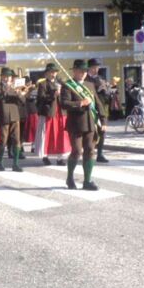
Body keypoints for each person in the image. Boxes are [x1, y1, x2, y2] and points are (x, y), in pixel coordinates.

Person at [62, 60, 107, 191]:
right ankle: (70, 178)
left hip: (90, 122)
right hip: (75, 124)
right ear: (74, 71)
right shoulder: (68, 85)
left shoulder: (90, 85)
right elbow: (64, 103)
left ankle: (87, 181)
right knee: (76, 151)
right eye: (80, 71)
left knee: (90, 150)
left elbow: (98, 103)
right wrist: (80, 103)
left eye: (85, 71)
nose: (83, 73)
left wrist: (103, 121)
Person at [36, 63, 71, 166]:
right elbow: (41, 98)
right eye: (51, 72)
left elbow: (66, 96)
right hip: (49, 112)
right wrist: (53, 95)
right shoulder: (43, 84)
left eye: (55, 72)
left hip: (61, 112)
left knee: (62, 135)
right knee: (47, 135)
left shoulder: (60, 83)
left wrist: (63, 92)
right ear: (46, 73)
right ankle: (45, 156)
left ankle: (61, 158)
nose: (53, 74)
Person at [0, 67, 25, 172]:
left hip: (15, 115)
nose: (7, 78)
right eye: (5, 76)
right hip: (3, 116)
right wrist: (7, 90)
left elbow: (22, 101)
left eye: (8, 77)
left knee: (16, 140)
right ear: (1, 77)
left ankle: (15, 164)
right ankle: (0, 163)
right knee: (3, 140)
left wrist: (19, 93)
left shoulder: (16, 87)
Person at [87, 59, 110, 163]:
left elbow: (106, 95)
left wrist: (107, 90)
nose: (97, 69)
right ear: (90, 68)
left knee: (102, 131)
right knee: (90, 132)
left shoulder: (101, 78)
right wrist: (97, 89)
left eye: (97, 67)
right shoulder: (85, 79)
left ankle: (100, 154)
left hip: (101, 107)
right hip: (90, 108)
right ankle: (88, 152)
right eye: (95, 67)